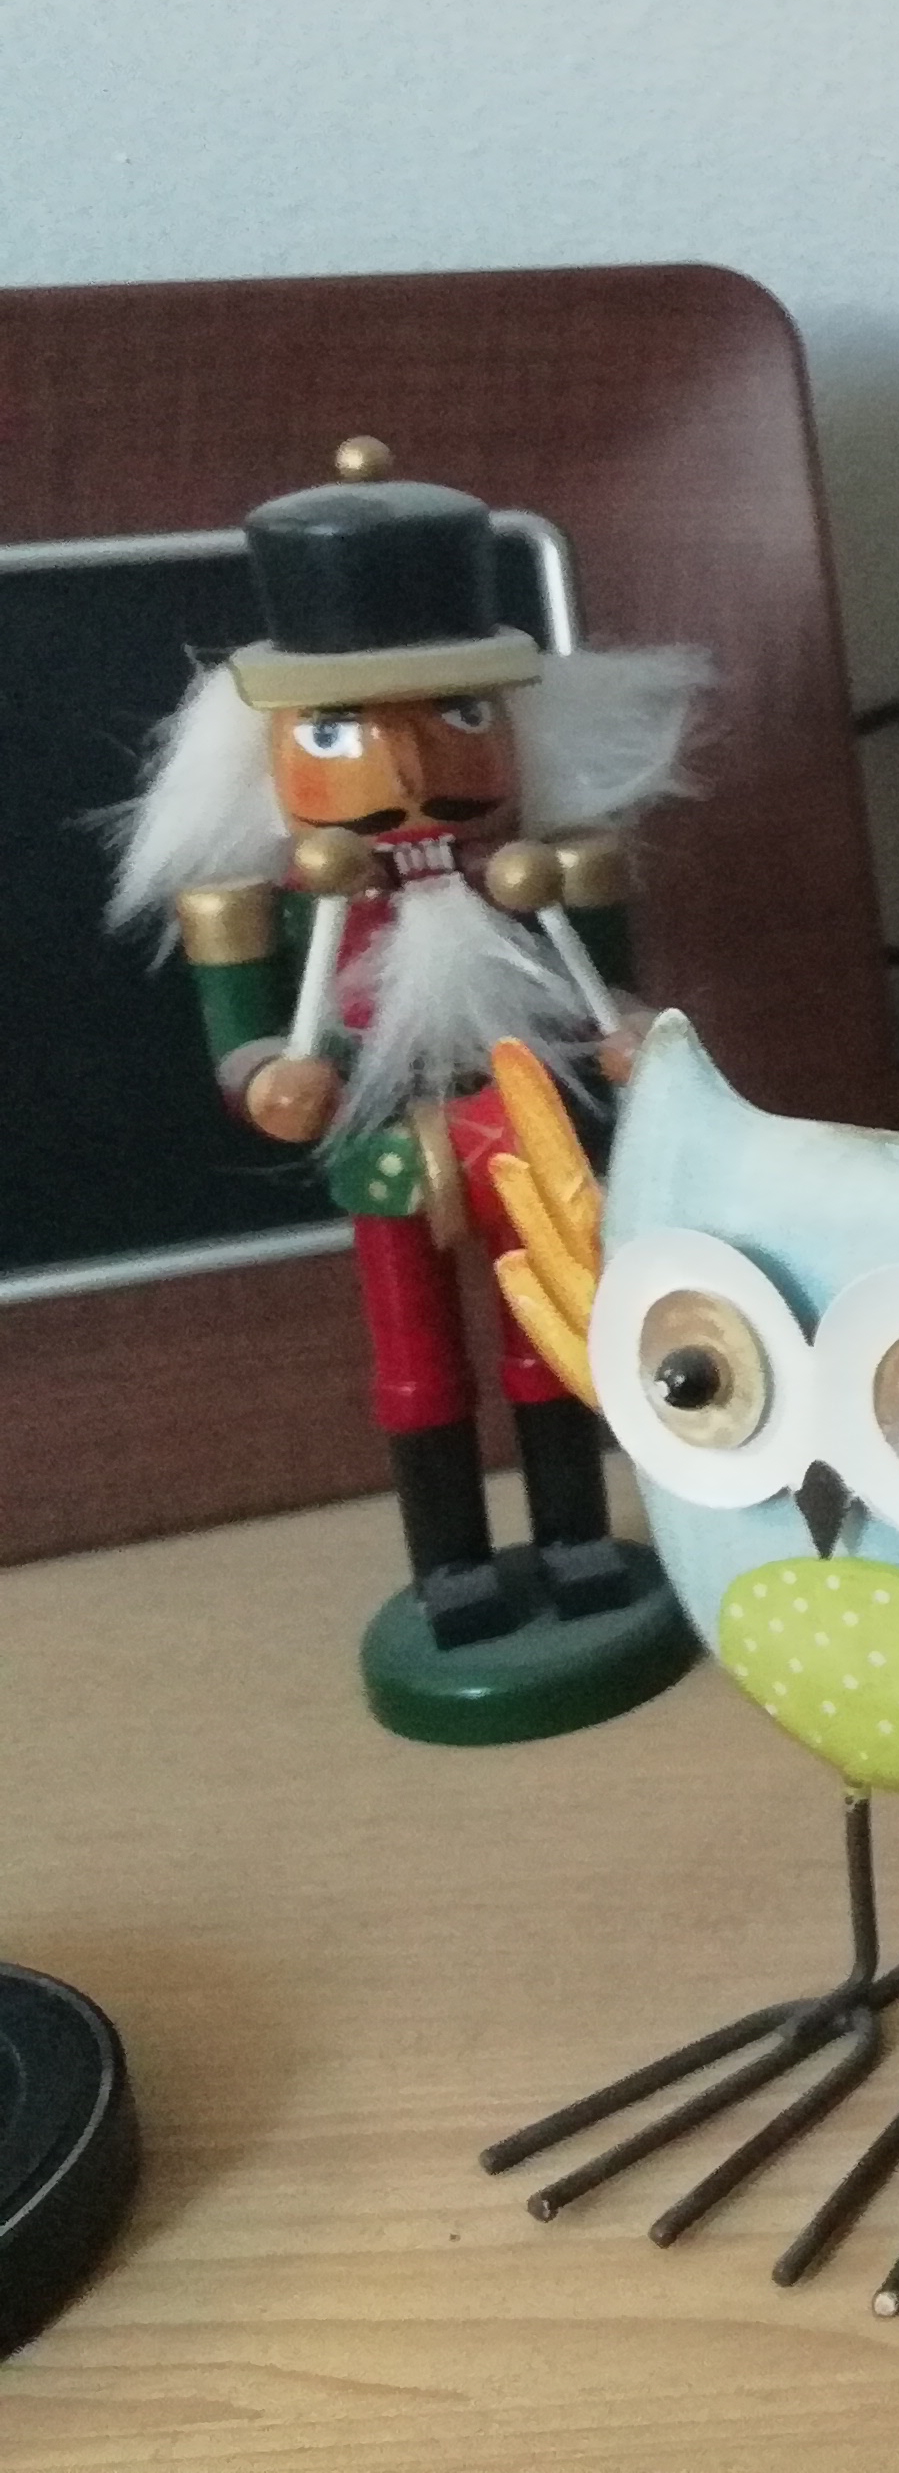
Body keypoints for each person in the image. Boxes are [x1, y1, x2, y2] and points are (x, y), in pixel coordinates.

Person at [107, 442, 706, 1659]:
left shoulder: (548, 871)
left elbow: (605, 997)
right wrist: (270, 1082)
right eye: (339, 733)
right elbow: (244, 1049)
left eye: (461, 715)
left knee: (552, 1332)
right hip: (385, 1155)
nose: (408, 774)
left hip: (527, 1138)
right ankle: (450, 1566)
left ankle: (577, 1539)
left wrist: (633, 1039)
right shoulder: (268, 909)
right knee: (416, 1359)